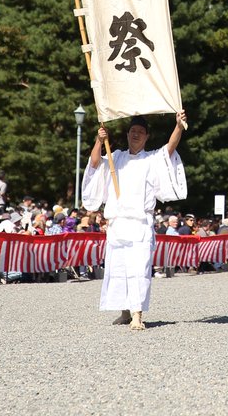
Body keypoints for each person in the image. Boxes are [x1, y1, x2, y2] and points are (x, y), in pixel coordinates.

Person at [81, 110, 187, 332]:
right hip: (118, 223)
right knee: (118, 268)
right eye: (132, 131)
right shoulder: (115, 156)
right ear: (127, 134)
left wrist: (178, 126)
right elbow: (93, 163)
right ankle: (124, 312)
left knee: (139, 268)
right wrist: (99, 141)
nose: (136, 135)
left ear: (146, 136)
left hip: (140, 223)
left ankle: (137, 314)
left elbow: (170, 148)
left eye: (140, 132)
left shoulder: (152, 159)